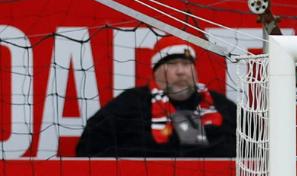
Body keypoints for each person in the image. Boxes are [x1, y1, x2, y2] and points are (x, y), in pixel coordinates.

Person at [75, 36, 236, 158]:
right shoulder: (129, 104)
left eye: (186, 64)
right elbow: (89, 148)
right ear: (155, 71)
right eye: (172, 64)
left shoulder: (220, 106)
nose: (181, 71)